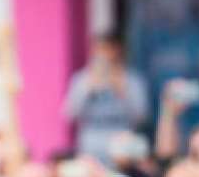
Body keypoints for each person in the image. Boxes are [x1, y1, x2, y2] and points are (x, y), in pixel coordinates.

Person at [63, 32, 150, 167]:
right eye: (98, 50)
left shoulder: (132, 80)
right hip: (91, 144)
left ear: (117, 50)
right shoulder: (82, 79)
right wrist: (87, 89)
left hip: (121, 143)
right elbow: (70, 113)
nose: (102, 55)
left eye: (107, 49)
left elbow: (141, 116)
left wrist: (122, 90)